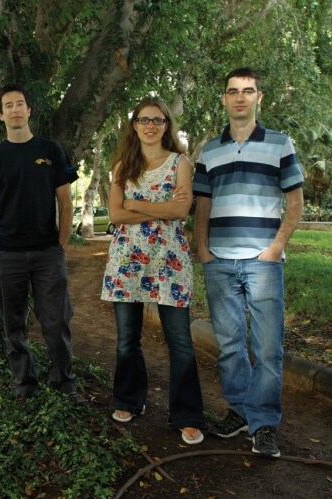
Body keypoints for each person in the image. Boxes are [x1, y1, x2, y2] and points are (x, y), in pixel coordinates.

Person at [193, 68, 304, 457]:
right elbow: (203, 204)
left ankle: (264, 424)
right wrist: (203, 249)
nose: (239, 97)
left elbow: (295, 203)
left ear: (259, 97)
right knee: (229, 345)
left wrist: (274, 248)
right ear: (224, 99)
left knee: (268, 348)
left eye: (248, 91)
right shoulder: (210, 149)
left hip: (263, 261)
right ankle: (240, 411)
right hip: (219, 260)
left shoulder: (279, 143)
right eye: (232, 92)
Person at [0, 83, 85, 404]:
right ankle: (24, 383)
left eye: (20, 103)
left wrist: (61, 245)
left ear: (29, 110)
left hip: (48, 253)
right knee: (14, 324)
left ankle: (64, 382)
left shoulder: (51, 151)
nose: (15, 109)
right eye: (8, 105)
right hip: (7, 255)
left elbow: (66, 201)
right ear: (0, 115)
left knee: (57, 320)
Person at [101, 96, 204, 445]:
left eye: (157, 120)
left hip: (169, 262)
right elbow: (115, 215)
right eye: (144, 119)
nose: (150, 125)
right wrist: (159, 208)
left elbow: (181, 210)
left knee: (180, 342)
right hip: (127, 260)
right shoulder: (121, 166)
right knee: (127, 340)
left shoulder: (180, 163)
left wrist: (134, 204)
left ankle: (186, 415)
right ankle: (130, 400)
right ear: (134, 125)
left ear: (166, 126)